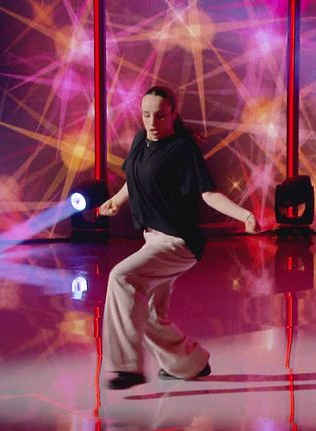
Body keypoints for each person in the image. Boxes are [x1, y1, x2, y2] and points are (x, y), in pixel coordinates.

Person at [98, 86, 261, 390]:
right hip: (152, 238)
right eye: (146, 115)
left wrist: (246, 216)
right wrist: (116, 201)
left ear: (173, 114)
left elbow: (208, 193)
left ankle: (126, 367)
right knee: (148, 313)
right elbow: (133, 178)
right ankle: (190, 363)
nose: (152, 122)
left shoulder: (183, 149)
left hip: (178, 243)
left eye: (160, 116)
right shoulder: (140, 140)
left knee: (121, 277)